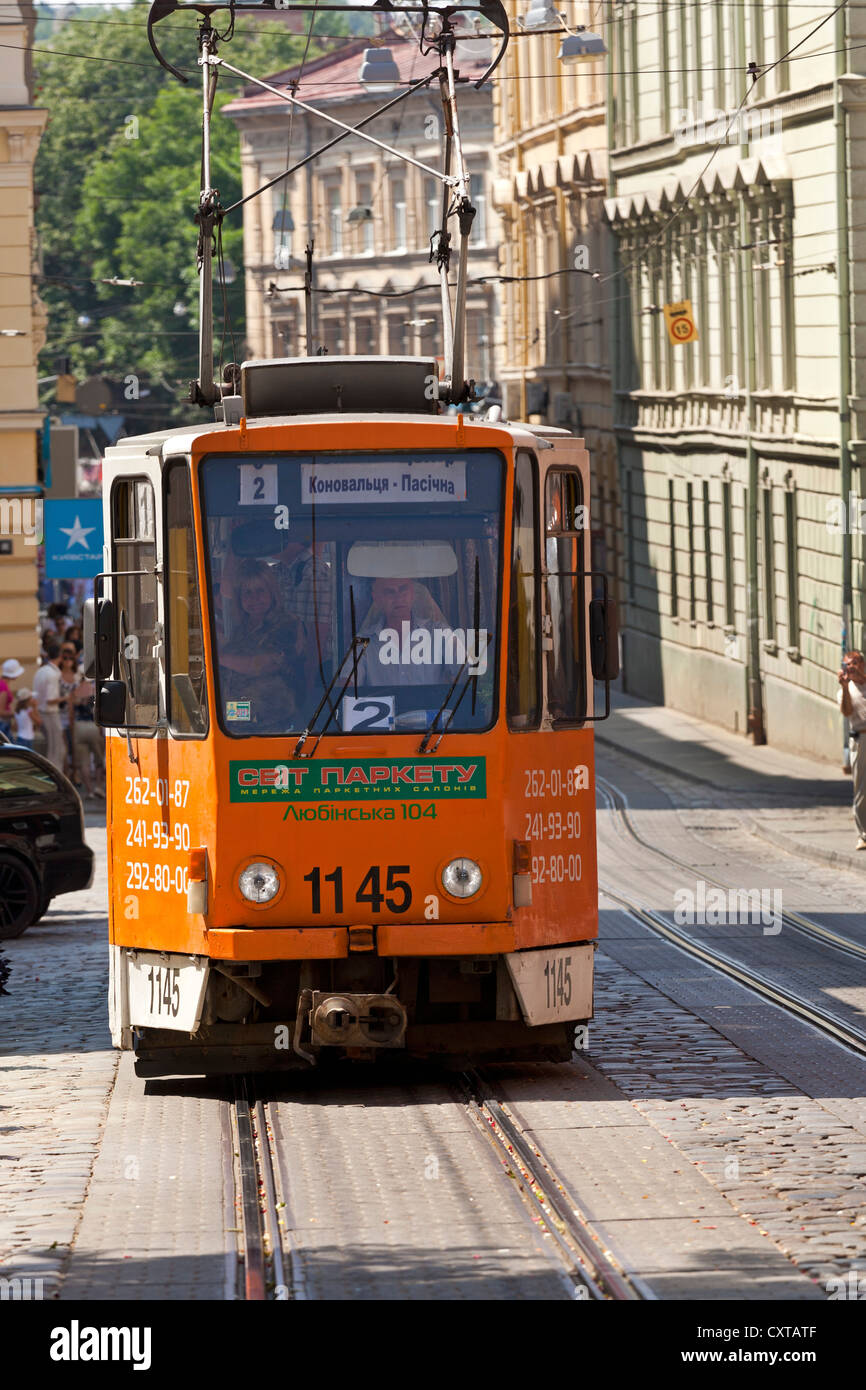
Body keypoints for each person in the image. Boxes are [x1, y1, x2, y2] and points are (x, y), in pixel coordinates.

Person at [219, 560, 304, 730]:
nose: (254, 598)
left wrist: (217, 656)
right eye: (247, 592)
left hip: (273, 725)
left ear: (272, 592)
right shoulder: (241, 630)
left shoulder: (288, 624)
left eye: (260, 590)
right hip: (237, 722)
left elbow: (265, 664)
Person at [358, 577, 456, 688]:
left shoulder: (440, 633)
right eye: (390, 592)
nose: (398, 597)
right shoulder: (363, 642)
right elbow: (347, 684)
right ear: (376, 598)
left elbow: (466, 673)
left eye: (403, 589)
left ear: (412, 593)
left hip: (434, 706)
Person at [838, 650, 866, 849]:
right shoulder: (846, 690)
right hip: (860, 740)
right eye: (847, 664)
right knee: (861, 790)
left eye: (854, 663)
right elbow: (847, 711)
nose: (851, 667)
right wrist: (845, 687)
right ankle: (863, 834)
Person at [33, 640, 65, 770]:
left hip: (43, 713)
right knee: (56, 751)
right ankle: (56, 780)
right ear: (60, 656)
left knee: (53, 750)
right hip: (50, 714)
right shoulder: (51, 674)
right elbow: (50, 700)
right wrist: (68, 697)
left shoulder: (41, 671)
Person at [0, 658, 23, 737]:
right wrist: (17, 713)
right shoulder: (3, 686)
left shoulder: (2, 684)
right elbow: (1, 712)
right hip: (3, 723)